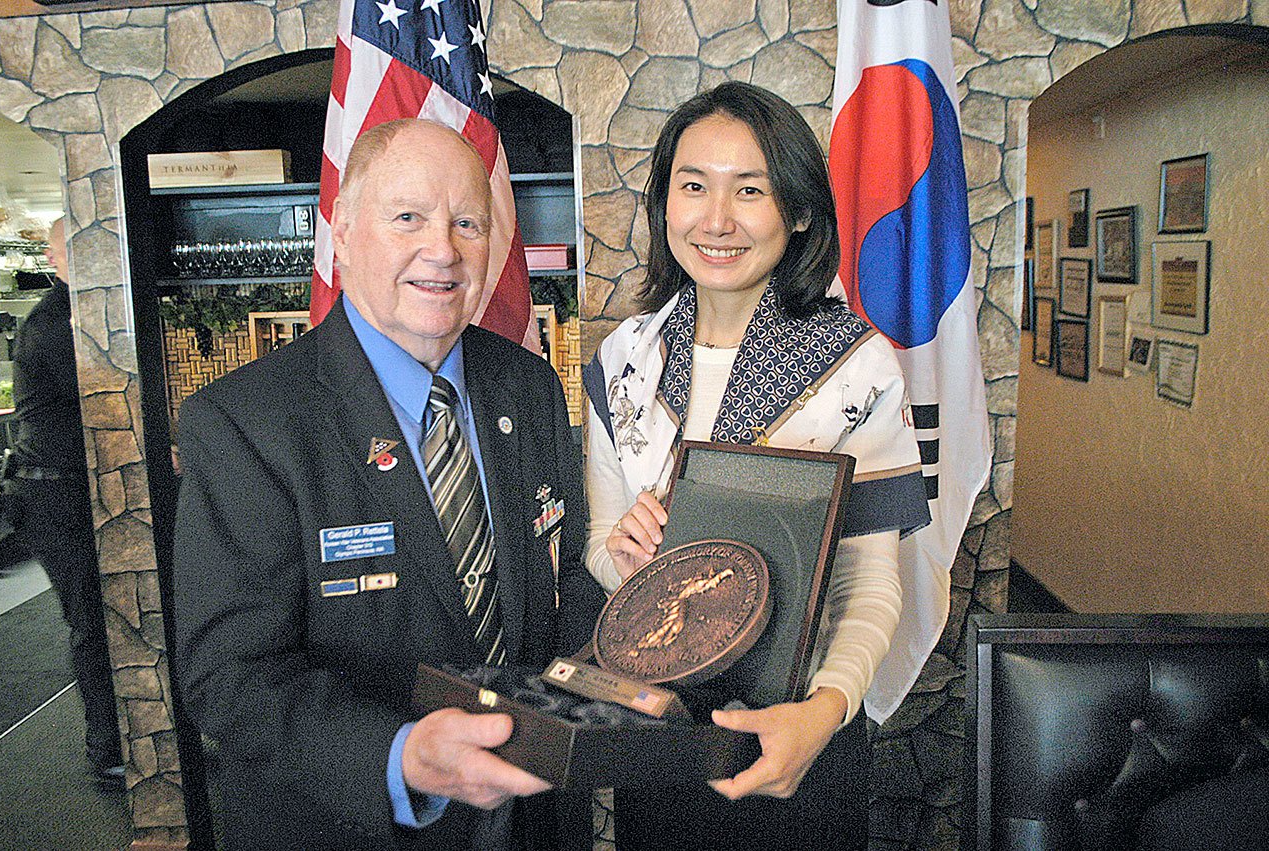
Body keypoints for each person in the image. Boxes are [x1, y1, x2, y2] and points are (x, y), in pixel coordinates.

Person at [173, 118, 603, 851]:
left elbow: (568, 578)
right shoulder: (243, 422)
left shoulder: (529, 386)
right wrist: (402, 756)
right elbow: (229, 677)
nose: (442, 249)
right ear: (340, 231)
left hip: (535, 820)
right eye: (408, 217)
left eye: (468, 221)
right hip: (358, 825)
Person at [583, 82, 933, 850]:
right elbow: (602, 544)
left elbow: (870, 582)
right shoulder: (625, 361)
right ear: (664, 204)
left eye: (752, 190)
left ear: (800, 211)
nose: (716, 219)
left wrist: (825, 712)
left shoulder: (855, 366)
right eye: (693, 186)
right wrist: (626, 562)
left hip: (801, 731)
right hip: (659, 729)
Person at [8, 217, 123, 785]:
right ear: (58, 261)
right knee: (93, 623)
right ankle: (107, 753)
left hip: (71, 487)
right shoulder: (56, 324)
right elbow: (105, 406)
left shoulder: (81, 316)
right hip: (53, 494)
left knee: (113, 617)